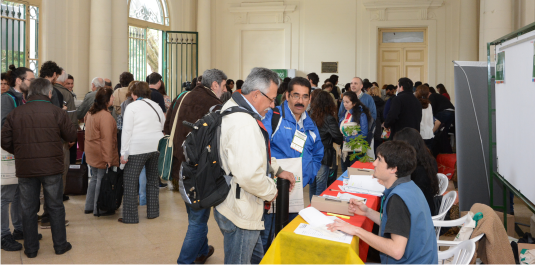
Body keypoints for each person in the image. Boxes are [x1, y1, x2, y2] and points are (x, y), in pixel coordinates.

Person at [214, 67, 294, 264]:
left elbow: (254, 155)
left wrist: (278, 170)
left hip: (234, 203)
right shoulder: (244, 124)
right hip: (241, 211)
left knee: (257, 258)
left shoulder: (235, 107)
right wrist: (271, 191)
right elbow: (249, 176)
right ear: (257, 94)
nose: (273, 104)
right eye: (271, 99)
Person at [327, 140, 438, 264]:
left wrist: (355, 230)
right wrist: (367, 212)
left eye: (379, 159)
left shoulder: (398, 199)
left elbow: (396, 251)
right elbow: (397, 224)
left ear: (393, 169)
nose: (374, 163)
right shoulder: (410, 186)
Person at [1, 78, 77, 258]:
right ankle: (60, 246)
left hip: (26, 167)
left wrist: (20, 152)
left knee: (27, 208)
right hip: (52, 168)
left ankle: (31, 249)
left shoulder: (16, 113)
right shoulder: (57, 112)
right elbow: (71, 134)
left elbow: (4, 140)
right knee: (55, 206)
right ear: (49, 93)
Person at [164, 69, 225, 264]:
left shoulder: (182, 96)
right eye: (223, 86)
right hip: (200, 171)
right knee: (197, 220)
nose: (224, 91)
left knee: (195, 211)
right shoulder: (215, 105)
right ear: (214, 85)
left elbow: (166, 128)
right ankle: (185, 261)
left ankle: (202, 251)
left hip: (179, 166)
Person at [261, 76, 323, 251]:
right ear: (287, 95)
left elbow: (318, 153)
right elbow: (261, 150)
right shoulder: (274, 118)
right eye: (296, 95)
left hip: (295, 192)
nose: (300, 101)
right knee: (265, 239)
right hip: (270, 191)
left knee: (289, 239)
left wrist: (307, 176)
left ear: (310, 98)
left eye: (305, 96)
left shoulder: (309, 124)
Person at [119, 82, 165, 224]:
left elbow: (127, 131)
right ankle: (153, 213)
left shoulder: (132, 107)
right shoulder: (156, 106)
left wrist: (123, 153)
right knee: (152, 181)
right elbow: (163, 124)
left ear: (134, 94)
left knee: (130, 181)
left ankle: (130, 217)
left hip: (137, 148)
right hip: (156, 146)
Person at [83, 87, 120, 216]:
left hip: (91, 151)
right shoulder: (105, 116)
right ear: (106, 100)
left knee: (94, 178)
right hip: (101, 152)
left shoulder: (90, 113)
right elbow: (107, 140)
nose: (114, 98)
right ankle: (98, 208)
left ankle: (89, 205)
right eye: (112, 96)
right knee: (101, 179)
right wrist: (108, 159)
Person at [393, 128, 440, 215]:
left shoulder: (416, 170)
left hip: (420, 212)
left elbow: (408, 196)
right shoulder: (427, 159)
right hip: (425, 205)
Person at [308, 91, 343, 201]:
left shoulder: (308, 114)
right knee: (321, 186)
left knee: (312, 185)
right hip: (323, 154)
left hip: (310, 154)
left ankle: (311, 209)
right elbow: (338, 137)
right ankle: (318, 211)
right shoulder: (328, 118)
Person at [54, 69, 78, 201]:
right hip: (63, 139)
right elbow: (72, 118)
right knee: (63, 168)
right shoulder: (66, 95)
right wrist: (72, 136)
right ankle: (59, 196)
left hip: (49, 138)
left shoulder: (47, 90)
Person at [339, 91, 371, 172]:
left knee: (353, 173)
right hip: (345, 148)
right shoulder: (345, 113)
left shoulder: (361, 115)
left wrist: (347, 138)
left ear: (354, 103)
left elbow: (364, 134)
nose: (344, 104)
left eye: (347, 102)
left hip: (356, 149)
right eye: (343, 102)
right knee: (345, 172)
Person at [415, 85, 435, 151]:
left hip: (419, 134)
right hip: (429, 134)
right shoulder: (429, 105)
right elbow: (431, 120)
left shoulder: (415, 104)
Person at [368, 85, 385, 154]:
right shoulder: (382, 103)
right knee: (377, 149)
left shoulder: (366, 102)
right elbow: (383, 117)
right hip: (378, 128)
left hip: (368, 126)